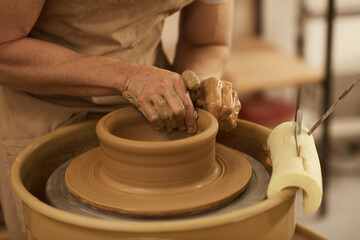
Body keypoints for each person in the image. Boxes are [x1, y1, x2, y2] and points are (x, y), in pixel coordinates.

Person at [0, 0, 239, 239]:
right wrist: (128, 77)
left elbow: (207, 42)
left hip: (153, 106)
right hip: (47, 108)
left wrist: (198, 84)